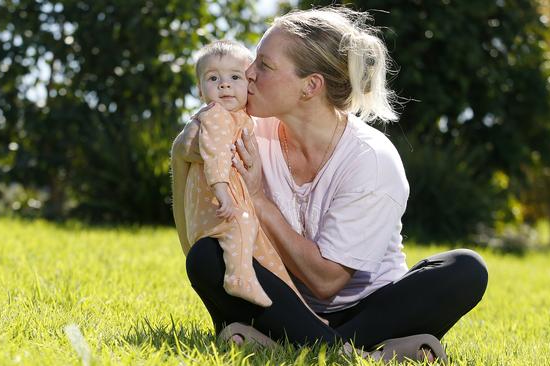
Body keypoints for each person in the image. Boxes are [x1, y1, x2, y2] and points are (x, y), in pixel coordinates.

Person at [172, 6, 488, 362]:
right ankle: (362, 354)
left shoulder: (371, 160)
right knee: (207, 255)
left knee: (466, 269)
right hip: (282, 302)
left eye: (265, 65)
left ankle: (295, 345)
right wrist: (182, 153)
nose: (249, 73)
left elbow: (326, 281)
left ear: (311, 86)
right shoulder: (246, 132)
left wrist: (259, 199)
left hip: (367, 311)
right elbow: (195, 234)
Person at [178, 40, 326, 319]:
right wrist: (223, 195)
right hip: (222, 201)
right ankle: (240, 277)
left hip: (226, 199)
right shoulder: (217, 118)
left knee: (262, 252)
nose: (224, 85)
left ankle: (299, 314)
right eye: (213, 78)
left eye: (235, 77)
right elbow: (216, 158)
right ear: (200, 90)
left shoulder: (239, 116)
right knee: (248, 236)